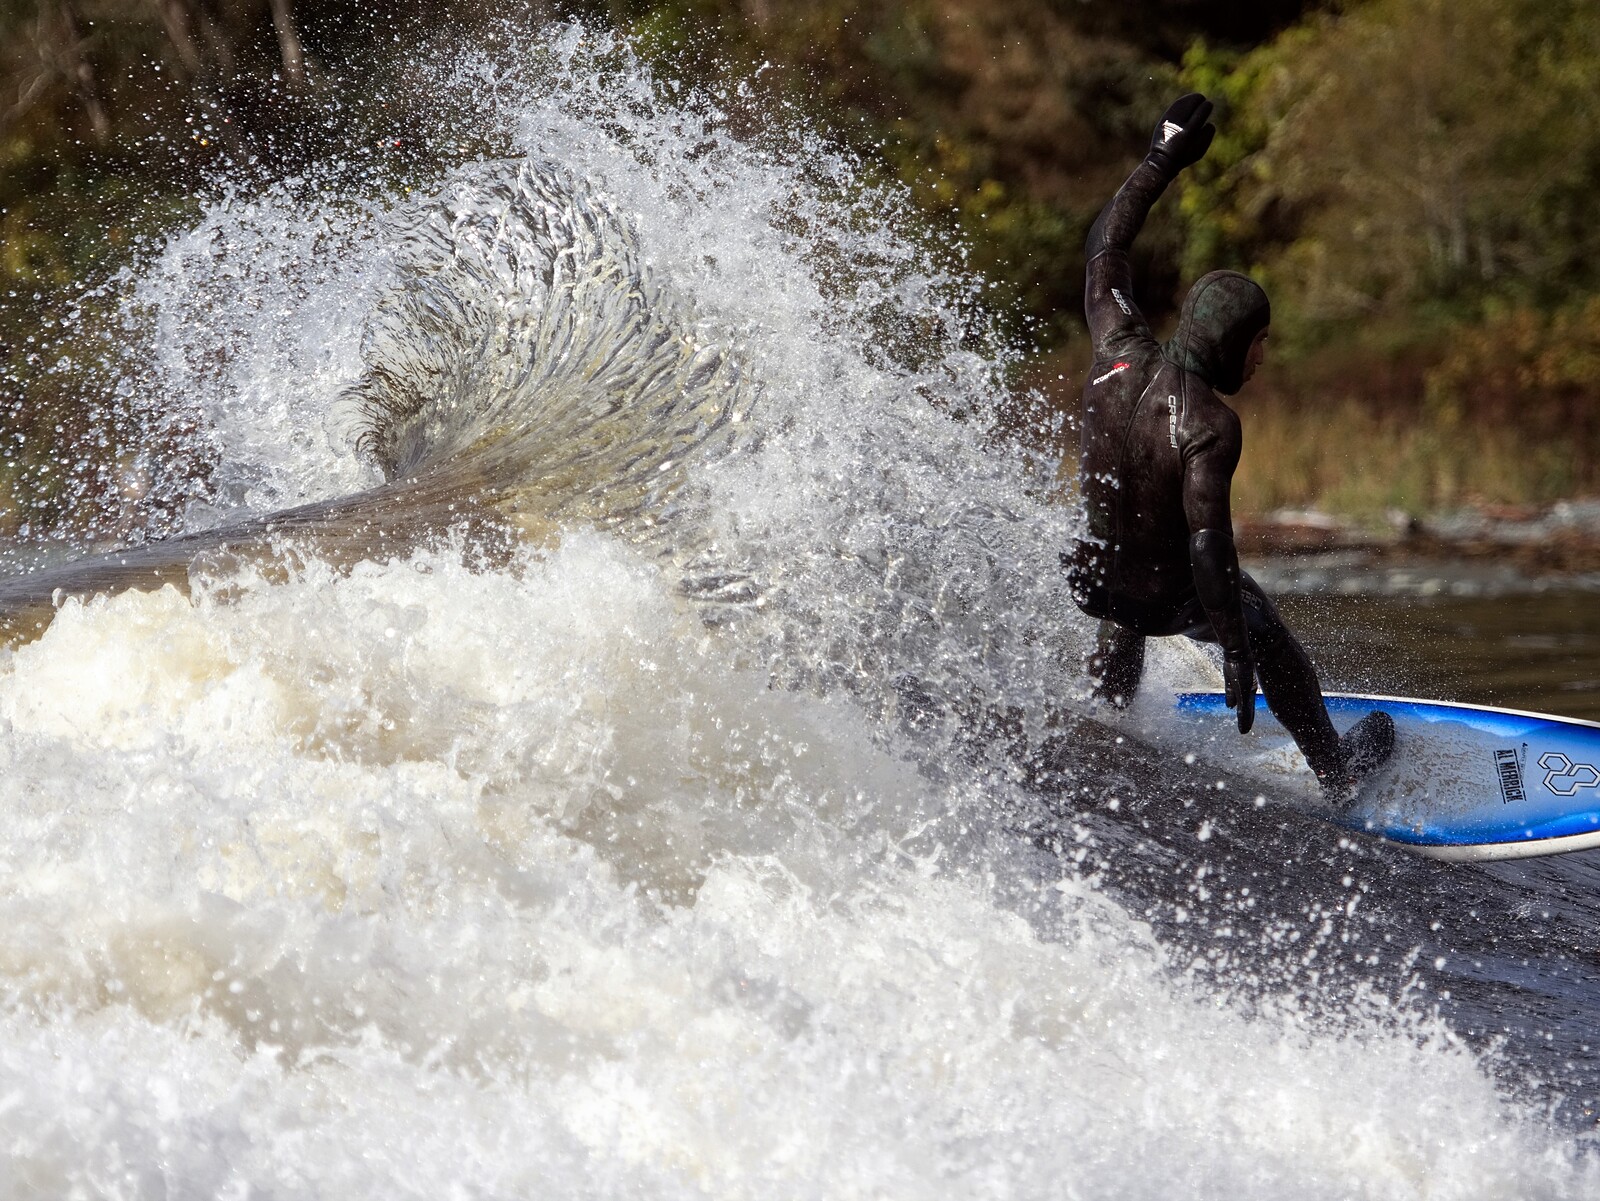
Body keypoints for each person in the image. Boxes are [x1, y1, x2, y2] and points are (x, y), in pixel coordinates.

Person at [1065, 92, 1392, 794]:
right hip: (1157, 597)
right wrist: (1238, 652)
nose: (1263, 360)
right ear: (1235, 343)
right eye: (1261, 345)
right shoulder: (1209, 424)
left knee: (1131, 550)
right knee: (1258, 620)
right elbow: (1210, 545)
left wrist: (1162, 156)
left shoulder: (1114, 347)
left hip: (1090, 581)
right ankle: (1337, 771)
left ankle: (1106, 715)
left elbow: (1106, 247)